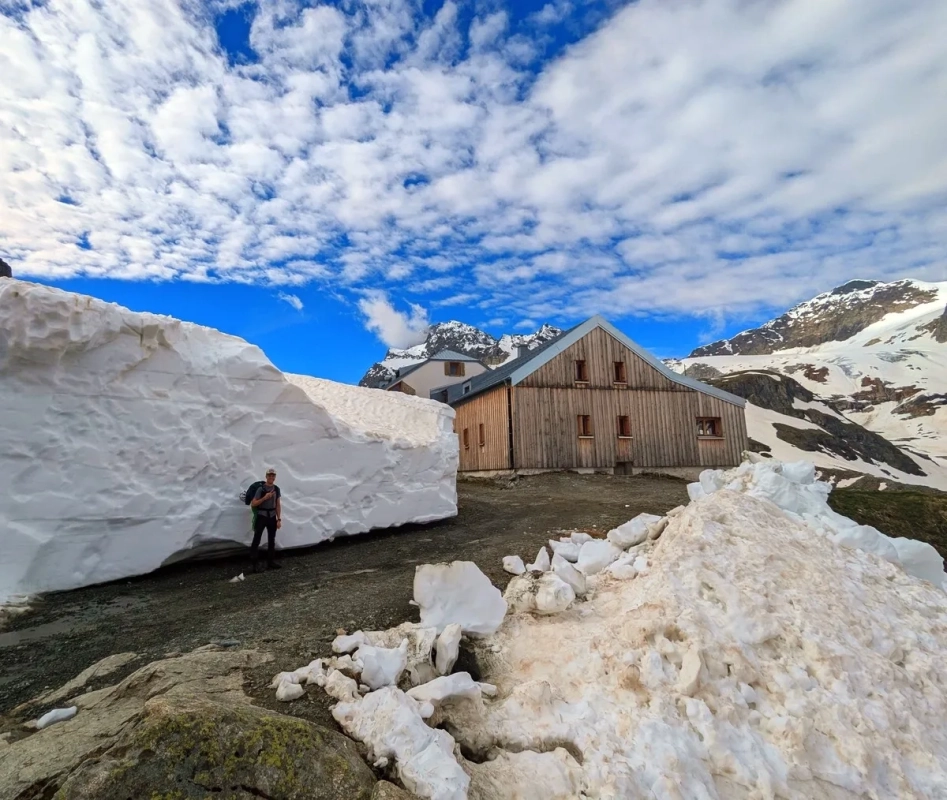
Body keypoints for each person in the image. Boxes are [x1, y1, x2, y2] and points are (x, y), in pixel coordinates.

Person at [249, 468, 282, 572]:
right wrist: (264, 498)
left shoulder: (276, 489)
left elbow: (277, 504)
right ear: (266, 476)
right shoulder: (261, 489)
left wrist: (279, 519)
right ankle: (254, 563)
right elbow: (253, 503)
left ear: (275, 477)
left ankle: (270, 562)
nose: (271, 477)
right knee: (256, 539)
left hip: (272, 516)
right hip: (262, 516)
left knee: (271, 539)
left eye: (273, 475)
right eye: (269, 475)